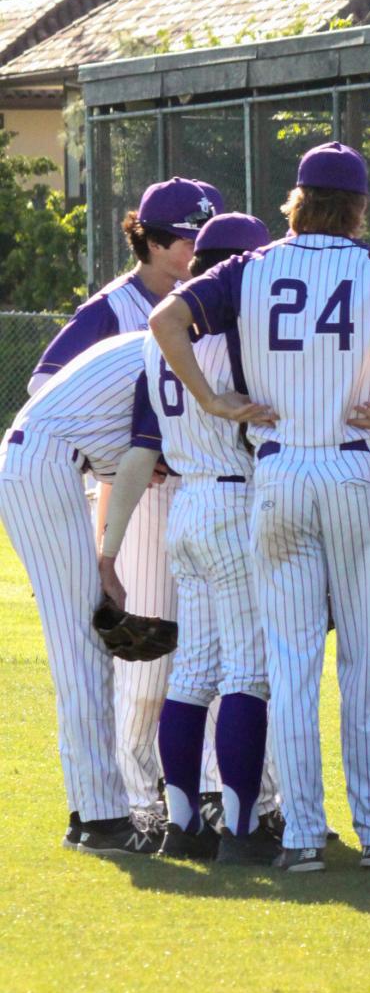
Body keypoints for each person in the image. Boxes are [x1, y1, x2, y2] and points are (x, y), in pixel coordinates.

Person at [150, 142, 370, 874]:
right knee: (368, 662)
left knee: (288, 664)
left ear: (296, 198)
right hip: (351, 467)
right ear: (356, 205)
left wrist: (213, 398)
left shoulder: (249, 266)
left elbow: (165, 318)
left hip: (279, 470)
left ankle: (302, 838)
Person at [32, 176, 224, 831]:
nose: (195, 248)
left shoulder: (210, 299)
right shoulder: (115, 307)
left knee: (198, 650)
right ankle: (127, 804)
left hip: (185, 487)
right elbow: (44, 386)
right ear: (149, 237)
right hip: (120, 486)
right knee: (131, 661)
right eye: (184, 237)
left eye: (204, 235)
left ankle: (200, 793)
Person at [97, 213, 281, 866]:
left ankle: (182, 822)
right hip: (234, 499)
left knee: (195, 670)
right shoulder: (238, 337)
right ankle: (239, 826)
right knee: (247, 672)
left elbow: (144, 445)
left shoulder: (160, 340)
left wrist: (110, 547)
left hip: (189, 508)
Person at [0, 331, 180, 855]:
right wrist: (108, 562)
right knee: (84, 650)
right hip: (44, 467)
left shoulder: (154, 336)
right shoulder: (171, 345)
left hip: (42, 460)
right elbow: (133, 460)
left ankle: (88, 813)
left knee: (81, 646)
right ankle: (103, 820)